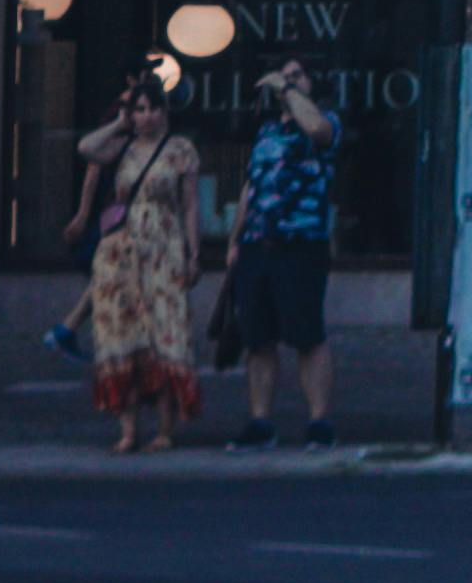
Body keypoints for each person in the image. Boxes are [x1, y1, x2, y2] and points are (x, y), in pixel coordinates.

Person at [69, 54, 204, 448]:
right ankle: (127, 430)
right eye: (139, 110)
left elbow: (191, 204)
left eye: (151, 109)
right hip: (119, 252)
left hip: (162, 248)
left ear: (164, 111)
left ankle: (164, 429)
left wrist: (194, 253)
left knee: (163, 335)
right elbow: (85, 148)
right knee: (119, 335)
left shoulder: (180, 150)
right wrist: (119, 121)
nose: (146, 116)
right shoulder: (122, 147)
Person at [226, 62, 343, 443]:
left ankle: (319, 421)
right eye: (284, 75)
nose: (288, 80)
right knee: (258, 338)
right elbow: (252, 186)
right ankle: (261, 422)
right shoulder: (267, 131)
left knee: (307, 334)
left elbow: (318, 131)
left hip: (301, 244)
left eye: (298, 75)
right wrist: (234, 240)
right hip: (258, 244)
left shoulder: (325, 122)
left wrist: (287, 90)